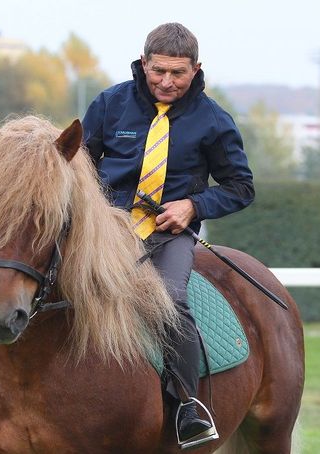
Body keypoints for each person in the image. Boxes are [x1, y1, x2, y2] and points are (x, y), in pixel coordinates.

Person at [82, 22, 254, 449]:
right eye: (159, 71)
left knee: (170, 299)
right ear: (144, 63)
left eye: (178, 73)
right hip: (105, 231)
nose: (167, 82)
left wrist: (193, 206)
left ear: (196, 70)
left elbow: (241, 187)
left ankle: (188, 408)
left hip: (168, 235)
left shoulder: (214, 121)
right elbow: (77, 166)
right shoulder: (109, 104)